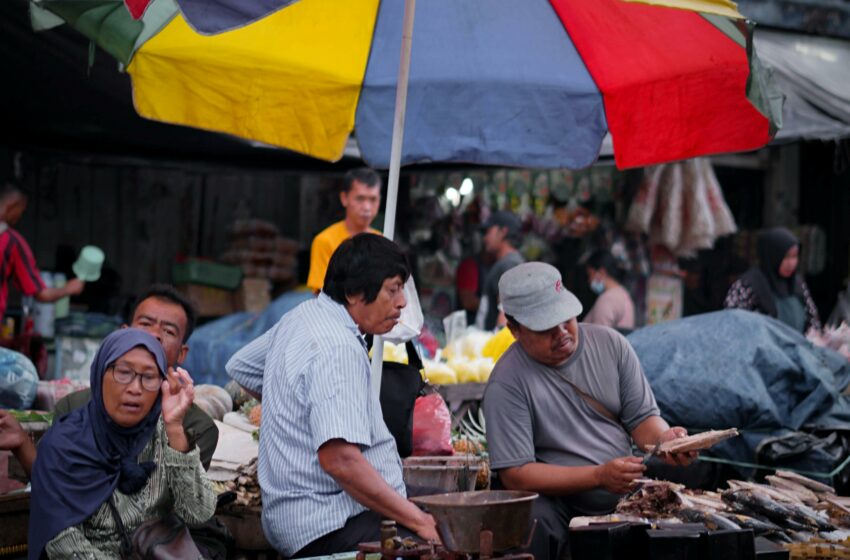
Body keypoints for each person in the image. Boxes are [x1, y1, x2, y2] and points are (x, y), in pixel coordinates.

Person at [482, 262, 694, 560]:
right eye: (545, 327)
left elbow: (643, 420)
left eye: (565, 319)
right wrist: (598, 476)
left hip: (624, 495)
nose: (562, 333)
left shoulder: (612, 345)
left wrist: (666, 440)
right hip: (559, 505)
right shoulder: (506, 383)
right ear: (514, 329)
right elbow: (517, 475)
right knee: (531, 518)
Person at [255, 234, 438, 557]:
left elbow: (243, 366)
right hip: (326, 524)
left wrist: (295, 410)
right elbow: (339, 460)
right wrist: (419, 522)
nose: (403, 303)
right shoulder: (337, 346)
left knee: (445, 503)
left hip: (299, 516)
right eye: (393, 290)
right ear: (354, 293)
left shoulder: (304, 315)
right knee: (448, 534)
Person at [28, 328, 216, 559]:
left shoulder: (165, 435)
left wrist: (175, 428)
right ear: (99, 375)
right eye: (123, 373)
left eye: (148, 378)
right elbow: (63, 543)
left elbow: (198, 513)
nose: (135, 389)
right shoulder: (64, 445)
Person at [0, 284, 218, 476]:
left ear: (182, 353)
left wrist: (175, 431)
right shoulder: (74, 407)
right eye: (145, 323)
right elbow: (55, 483)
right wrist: (21, 443)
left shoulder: (197, 427)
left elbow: (184, 506)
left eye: (169, 330)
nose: (155, 335)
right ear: (122, 332)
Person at [0, 182, 85, 320]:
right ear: (13, 205)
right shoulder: (11, 241)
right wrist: (69, 288)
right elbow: (42, 294)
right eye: (21, 211)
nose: (19, 217)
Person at [724, 227, 821, 333]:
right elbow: (732, 323)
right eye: (786, 257)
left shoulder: (797, 284)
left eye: (794, 256)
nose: (791, 263)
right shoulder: (747, 284)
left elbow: (813, 323)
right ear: (772, 256)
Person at [306, 168, 382, 293]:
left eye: (373, 199)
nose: (367, 207)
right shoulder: (325, 241)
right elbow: (321, 293)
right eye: (360, 199)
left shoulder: (382, 242)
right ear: (344, 198)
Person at [476, 210, 524, 330]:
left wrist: (498, 343)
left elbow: (507, 311)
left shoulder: (509, 264)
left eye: (488, 232)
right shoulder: (508, 262)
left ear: (503, 232)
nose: (485, 238)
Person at [583, 249, 635, 330]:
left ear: (601, 272)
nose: (589, 281)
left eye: (590, 275)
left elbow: (600, 337)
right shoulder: (623, 293)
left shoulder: (607, 299)